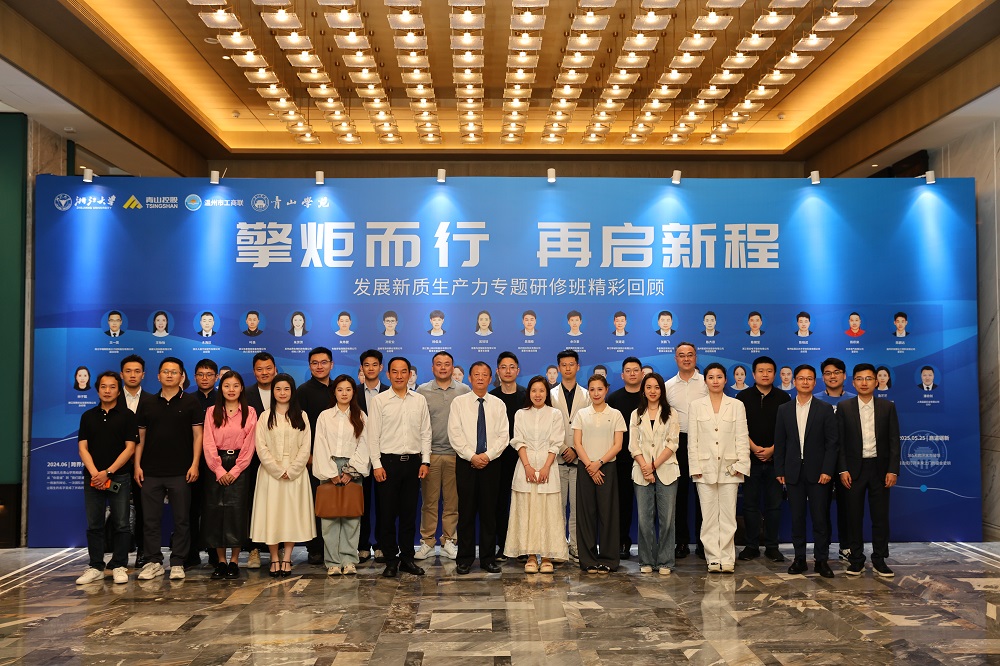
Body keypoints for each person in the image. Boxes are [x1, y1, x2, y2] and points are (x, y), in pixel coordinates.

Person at [134, 357, 203, 580]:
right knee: (150, 520)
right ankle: (153, 561)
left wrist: (195, 464)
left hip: (181, 471)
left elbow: (198, 436)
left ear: (182, 376)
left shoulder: (191, 402)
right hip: (151, 471)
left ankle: (178, 562)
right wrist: (137, 465)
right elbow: (140, 437)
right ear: (158, 376)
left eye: (174, 372)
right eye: (165, 371)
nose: (170, 375)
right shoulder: (147, 403)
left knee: (182, 519)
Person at [368, 356, 432, 577]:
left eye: (403, 371)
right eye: (394, 372)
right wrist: (376, 464)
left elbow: (426, 432)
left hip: (413, 464)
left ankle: (407, 558)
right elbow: (372, 435)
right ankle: (390, 560)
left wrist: (425, 461)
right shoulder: (379, 401)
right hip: (388, 464)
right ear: (388, 374)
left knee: (408, 515)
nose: (399, 376)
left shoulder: (419, 400)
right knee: (387, 516)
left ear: (410, 374)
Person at [774, 364, 839, 578]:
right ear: (794, 382)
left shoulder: (825, 409)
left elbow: (832, 444)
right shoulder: (784, 409)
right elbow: (780, 442)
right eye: (801, 378)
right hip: (793, 473)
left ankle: (821, 560)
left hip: (819, 474)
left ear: (814, 382)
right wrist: (780, 469)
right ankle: (799, 559)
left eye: (809, 378)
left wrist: (828, 470)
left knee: (820, 519)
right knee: (797, 518)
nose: (805, 382)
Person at [838, 363, 901, 578]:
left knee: (880, 518)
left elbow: (894, 441)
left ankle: (880, 559)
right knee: (853, 517)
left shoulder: (887, 407)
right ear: (853, 382)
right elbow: (840, 443)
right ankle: (856, 560)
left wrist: (893, 470)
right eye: (859, 379)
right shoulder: (844, 407)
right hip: (853, 471)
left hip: (880, 470)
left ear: (876, 382)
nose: (864, 383)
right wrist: (842, 469)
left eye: (868, 378)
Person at [75, 371, 137, 585]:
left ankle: (119, 565)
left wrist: (108, 472)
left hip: (119, 477)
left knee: (121, 523)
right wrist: (95, 473)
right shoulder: (88, 416)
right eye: (103, 386)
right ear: (98, 390)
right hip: (92, 478)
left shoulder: (128, 416)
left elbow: (130, 449)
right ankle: (95, 566)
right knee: (94, 524)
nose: (107, 391)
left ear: (119, 391)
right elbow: (82, 448)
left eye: (112, 387)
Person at [448, 362, 510, 574]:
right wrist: (472, 456)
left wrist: (487, 456)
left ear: (491, 378)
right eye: (477, 374)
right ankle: (464, 559)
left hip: (492, 464)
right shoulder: (459, 403)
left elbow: (504, 435)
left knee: (489, 513)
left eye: (485, 375)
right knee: (466, 513)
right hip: (466, 463)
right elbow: (454, 433)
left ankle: (487, 558)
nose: (481, 378)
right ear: (470, 378)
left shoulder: (498, 404)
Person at [251, 374, 315, 577]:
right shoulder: (265, 416)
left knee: (290, 516)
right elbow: (260, 446)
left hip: (295, 473)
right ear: (273, 392)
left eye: (286, 389)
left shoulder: (302, 415)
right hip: (270, 474)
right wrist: (277, 470)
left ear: (292, 391)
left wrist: (293, 469)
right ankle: (274, 558)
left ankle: (287, 557)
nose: (282, 393)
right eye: (278, 389)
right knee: (272, 515)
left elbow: (306, 446)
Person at [689, 363, 750, 573]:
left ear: (725, 380)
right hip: (704, 468)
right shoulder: (696, 406)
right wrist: (694, 466)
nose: (715, 381)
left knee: (728, 516)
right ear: (705, 380)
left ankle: (727, 557)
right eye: (711, 377)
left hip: (730, 468)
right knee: (708, 517)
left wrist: (742, 464)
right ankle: (713, 558)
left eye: (719, 377)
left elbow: (742, 437)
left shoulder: (736, 405)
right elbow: (693, 440)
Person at [505, 375, 567, 573]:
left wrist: (547, 466)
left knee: (548, 511)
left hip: (549, 466)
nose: (537, 394)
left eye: (541, 390)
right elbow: (518, 441)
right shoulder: (521, 414)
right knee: (528, 510)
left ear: (547, 393)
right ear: (529, 393)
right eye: (534, 390)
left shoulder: (555, 414)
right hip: (525, 467)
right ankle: (531, 556)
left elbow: (556, 442)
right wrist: (528, 466)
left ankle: (547, 556)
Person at [313, 375, 371, 576]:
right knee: (329, 517)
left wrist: (350, 471)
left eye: (348, 389)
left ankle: (349, 560)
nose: (344, 393)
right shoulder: (325, 416)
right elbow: (320, 444)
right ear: (334, 392)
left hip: (352, 468)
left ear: (354, 392)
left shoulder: (361, 416)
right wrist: (331, 473)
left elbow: (364, 445)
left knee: (351, 516)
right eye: (340, 389)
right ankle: (332, 562)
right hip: (328, 467)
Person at [202, 371, 257, 580]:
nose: (231, 390)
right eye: (227, 386)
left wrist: (235, 470)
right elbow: (208, 442)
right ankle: (221, 561)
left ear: (241, 388)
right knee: (216, 512)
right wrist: (218, 469)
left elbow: (250, 444)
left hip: (239, 466)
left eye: (235, 385)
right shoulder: (211, 412)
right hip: (215, 465)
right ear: (221, 388)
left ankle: (234, 560)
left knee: (237, 513)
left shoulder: (250, 412)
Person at [414, 351, 468, 561]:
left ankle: (449, 541)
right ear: (432, 367)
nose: (443, 367)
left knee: (452, 502)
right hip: (431, 455)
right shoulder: (422, 391)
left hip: (456, 455)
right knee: (429, 502)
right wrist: (423, 456)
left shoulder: (463, 390)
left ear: (453, 367)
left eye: (447, 364)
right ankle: (427, 542)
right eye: (439, 364)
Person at [736, 356, 790, 563]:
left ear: (774, 374)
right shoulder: (743, 397)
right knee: (750, 505)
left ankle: (772, 546)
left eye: (769, 371)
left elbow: (787, 429)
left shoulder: (783, 397)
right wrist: (754, 448)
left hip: (775, 460)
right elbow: (739, 427)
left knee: (774, 506)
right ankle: (751, 546)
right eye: (761, 371)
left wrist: (772, 450)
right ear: (754, 374)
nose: (765, 374)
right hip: (750, 460)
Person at [573, 374, 625, 573]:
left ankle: (608, 560)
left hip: (607, 467)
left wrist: (599, 464)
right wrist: (590, 466)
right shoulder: (581, 414)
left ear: (606, 390)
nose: (596, 393)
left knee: (608, 514)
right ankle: (588, 560)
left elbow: (618, 445)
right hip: (585, 467)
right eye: (592, 389)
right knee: (586, 514)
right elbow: (577, 443)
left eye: (600, 389)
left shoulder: (616, 414)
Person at [629, 372, 679, 575]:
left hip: (666, 469)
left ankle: (666, 561)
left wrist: (654, 466)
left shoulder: (671, 413)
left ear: (662, 390)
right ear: (643, 390)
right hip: (641, 471)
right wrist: (645, 467)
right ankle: (646, 560)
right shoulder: (636, 414)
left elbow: (673, 443)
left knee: (667, 519)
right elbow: (633, 445)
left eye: (656, 387)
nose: (652, 391)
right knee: (644, 519)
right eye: (648, 387)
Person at [665, 342, 707, 560]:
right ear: (675, 359)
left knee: (704, 494)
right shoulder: (668, 386)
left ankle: (703, 542)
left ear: (695, 357)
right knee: (679, 495)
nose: (686, 359)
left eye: (690, 354)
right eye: (682, 355)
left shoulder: (707, 382)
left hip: (704, 441)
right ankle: (681, 541)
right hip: (678, 443)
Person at [297, 347, 336, 565]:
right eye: (315, 363)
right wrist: (308, 455)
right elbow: (299, 427)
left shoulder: (339, 388)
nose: (319, 366)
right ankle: (315, 548)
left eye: (324, 362)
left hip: (339, 458)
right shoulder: (303, 391)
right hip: (313, 459)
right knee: (315, 504)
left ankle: (336, 547)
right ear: (309, 366)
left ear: (331, 364)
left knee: (337, 504)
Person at [550, 349, 590, 561]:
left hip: (579, 459)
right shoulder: (550, 395)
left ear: (578, 367)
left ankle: (575, 545)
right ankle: (558, 547)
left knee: (577, 508)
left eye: (571, 364)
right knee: (557, 507)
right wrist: (562, 448)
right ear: (558, 368)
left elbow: (590, 426)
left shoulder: (587, 395)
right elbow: (547, 426)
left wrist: (574, 449)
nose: (567, 368)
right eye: (563, 365)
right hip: (556, 459)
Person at [815, 357, 856, 561]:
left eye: (837, 372)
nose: (833, 376)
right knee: (820, 508)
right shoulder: (814, 399)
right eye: (828, 373)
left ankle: (846, 546)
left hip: (847, 463)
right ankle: (822, 550)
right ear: (823, 377)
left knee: (847, 507)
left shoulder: (854, 400)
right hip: (821, 462)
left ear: (844, 376)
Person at [118, 354, 155, 568]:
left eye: (137, 371)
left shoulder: (152, 401)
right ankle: (120, 554)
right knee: (120, 512)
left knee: (144, 511)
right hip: (118, 465)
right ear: (121, 374)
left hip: (144, 465)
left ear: (143, 374)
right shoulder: (112, 400)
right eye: (128, 371)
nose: (133, 375)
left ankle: (143, 551)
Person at [491, 351, 527, 563]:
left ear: (518, 370)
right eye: (503, 367)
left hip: (524, 458)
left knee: (522, 502)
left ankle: (523, 547)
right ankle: (503, 545)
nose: (508, 371)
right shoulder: (492, 397)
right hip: (498, 458)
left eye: (512, 367)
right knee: (500, 503)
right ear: (498, 371)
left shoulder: (526, 395)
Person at [607, 357, 643, 560]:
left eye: (635, 370)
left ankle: (649, 545)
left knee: (648, 505)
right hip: (620, 460)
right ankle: (622, 541)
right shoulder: (614, 399)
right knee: (622, 504)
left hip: (647, 460)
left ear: (642, 373)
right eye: (628, 371)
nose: (632, 373)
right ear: (622, 375)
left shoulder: (649, 396)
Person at [357, 349, 388, 563]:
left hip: (384, 456)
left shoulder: (389, 392)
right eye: (366, 365)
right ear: (361, 368)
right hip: (359, 456)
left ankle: (381, 544)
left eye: (374, 364)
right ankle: (362, 545)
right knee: (362, 502)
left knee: (384, 503)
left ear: (381, 367)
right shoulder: (352, 392)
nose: (371, 368)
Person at [187, 358, 218, 567]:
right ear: (194, 377)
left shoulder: (223, 399)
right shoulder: (188, 400)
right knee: (191, 509)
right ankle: (191, 554)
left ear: (216, 377)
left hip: (217, 463)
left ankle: (215, 554)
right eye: (200, 374)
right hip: (193, 462)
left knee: (214, 510)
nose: (204, 378)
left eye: (209, 375)